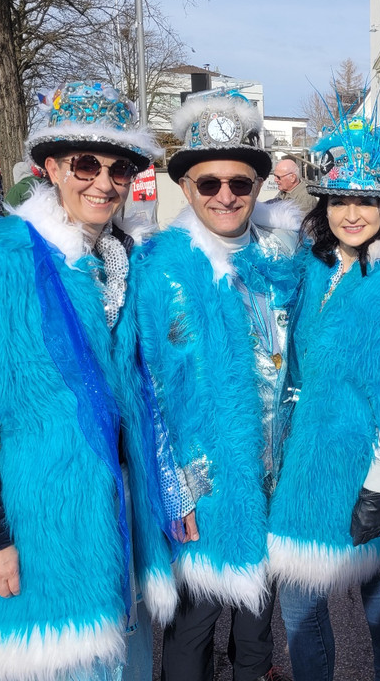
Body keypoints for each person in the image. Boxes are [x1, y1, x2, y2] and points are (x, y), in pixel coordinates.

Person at [0, 81, 178, 681]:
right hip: (33, 524)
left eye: (119, 166)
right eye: (85, 163)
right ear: (50, 167)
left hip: (111, 518)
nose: (103, 182)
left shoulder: (119, 260)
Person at [267, 105, 380, 681]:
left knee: (372, 583)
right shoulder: (314, 268)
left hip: (366, 465)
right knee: (300, 592)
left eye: (365, 201)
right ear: (323, 207)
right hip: (306, 463)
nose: (351, 213)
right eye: (339, 200)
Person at [133, 88, 297, 681]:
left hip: (270, 475)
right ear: (186, 187)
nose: (226, 196)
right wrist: (176, 488)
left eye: (240, 183)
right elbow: (148, 388)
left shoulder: (282, 259)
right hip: (202, 485)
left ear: (258, 188)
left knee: (257, 622)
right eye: (209, 184)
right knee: (193, 628)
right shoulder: (159, 269)